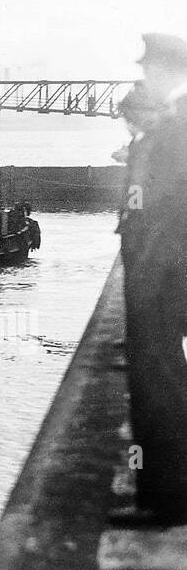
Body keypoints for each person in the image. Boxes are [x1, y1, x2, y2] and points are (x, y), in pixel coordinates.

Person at [111, 33, 187, 527]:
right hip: (157, 275)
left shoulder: (173, 134)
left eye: (151, 70)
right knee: (156, 384)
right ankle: (159, 495)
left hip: (159, 279)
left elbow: (164, 215)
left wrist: (147, 279)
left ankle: (167, 501)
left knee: (159, 386)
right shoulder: (168, 132)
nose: (145, 78)